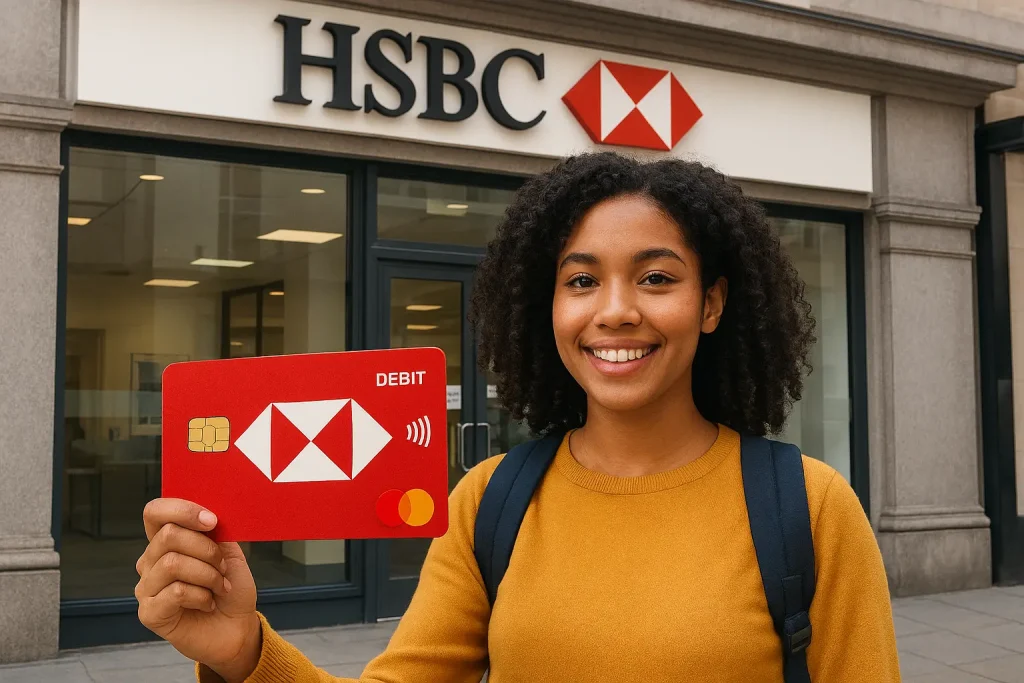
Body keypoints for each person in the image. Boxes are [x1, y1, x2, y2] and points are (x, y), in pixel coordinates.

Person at [136, 152, 901, 682]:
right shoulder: (490, 504)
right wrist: (243, 651)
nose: (615, 311)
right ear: (551, 309)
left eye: (657, 277)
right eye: (581, 280)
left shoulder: (809, 506)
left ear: (712, 303)